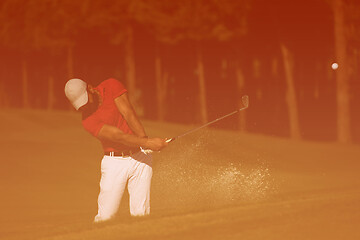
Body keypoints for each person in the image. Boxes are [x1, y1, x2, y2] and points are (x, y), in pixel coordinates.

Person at [64, 78, 168, 222]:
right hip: (115, 163)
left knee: (141, 214)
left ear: (90, 88)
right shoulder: (87, 120)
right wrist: (147, 142)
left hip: (140, 159)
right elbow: (118, 137)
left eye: (85, 100)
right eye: (80, 105)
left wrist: (144, 141)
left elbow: (128, 113)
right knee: (106, 217)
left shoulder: (111, 85)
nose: (84, 107)